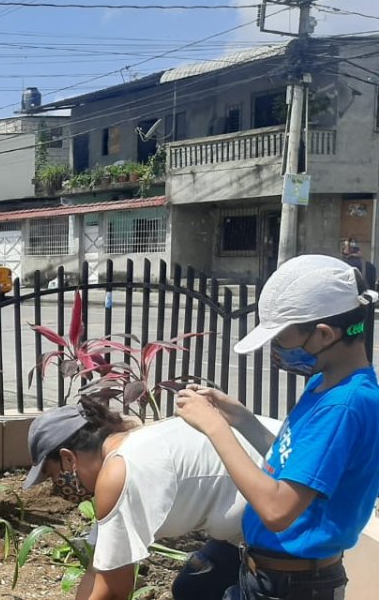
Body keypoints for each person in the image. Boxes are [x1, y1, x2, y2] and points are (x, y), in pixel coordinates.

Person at [177, 254, 379, 600]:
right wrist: (241, 419)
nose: (277, 350)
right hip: (272, 576)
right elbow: (299, 468)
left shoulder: (344, 405)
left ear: (324, 334)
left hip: (295, 587)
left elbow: (278, 509)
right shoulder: (326, 384)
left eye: (282, 339)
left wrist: (215, 428)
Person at [23, 396, 281, 600]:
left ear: (68, 458)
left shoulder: (120, 473)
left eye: (54, 476)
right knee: (194, 589)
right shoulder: (128, 446)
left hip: (292, 510)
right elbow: (98, 569)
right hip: (258, 513)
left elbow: (113, 590)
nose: (58, 487)